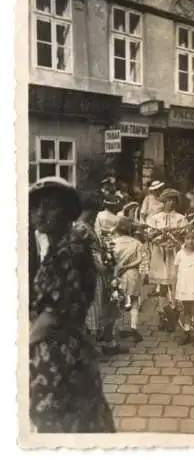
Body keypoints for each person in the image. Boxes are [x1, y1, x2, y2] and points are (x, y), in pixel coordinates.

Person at [29, 176, 115, 432]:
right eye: (37, 207)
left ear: (67, 212)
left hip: (62, 356)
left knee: (63, 422)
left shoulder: (72, 252)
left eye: (50, 206)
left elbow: (53, 317)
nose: (41, 213)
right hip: (54, 350)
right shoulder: (55, 249)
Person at [146, 188, 188, 330]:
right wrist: (160, 240)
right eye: (168, 200)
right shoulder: (155, 218)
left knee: (175, 283)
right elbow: (150, 235)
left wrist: (174, 241)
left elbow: (184, 237)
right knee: (162, 285)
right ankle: (163, 314)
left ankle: (175, 312)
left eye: (173, 201)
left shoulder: (181, 218)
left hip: (175, 253)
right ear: (163, 202)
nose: (171, 203)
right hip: (160, 254)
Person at [73, 191, 107, 340]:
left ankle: (94, 334)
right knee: (93, 302)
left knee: (97, 301)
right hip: (91, 268)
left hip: (95, 265)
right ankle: (90, 337)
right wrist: (96, 265)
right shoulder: (81, 228)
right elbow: (82, 251)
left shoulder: (85, 225)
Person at [112, 217, 144, 342]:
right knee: (134, 301)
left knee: (119, 301)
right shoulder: (136, 243)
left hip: (118, 274)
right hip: (133, 273)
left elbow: (111, 259)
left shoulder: (113, 242)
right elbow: (140, 259)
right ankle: (134, 328)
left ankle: (118, 328)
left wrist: (120, 267)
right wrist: (129, 265)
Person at [173, 230, 194, 347]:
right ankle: (186, 332)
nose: (190, 241)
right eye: (187, 238)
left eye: (193, 238)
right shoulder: (180, 254)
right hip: (183, 286)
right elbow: (175, 273)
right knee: (185, 310)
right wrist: (174, 289)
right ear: (184, 240)